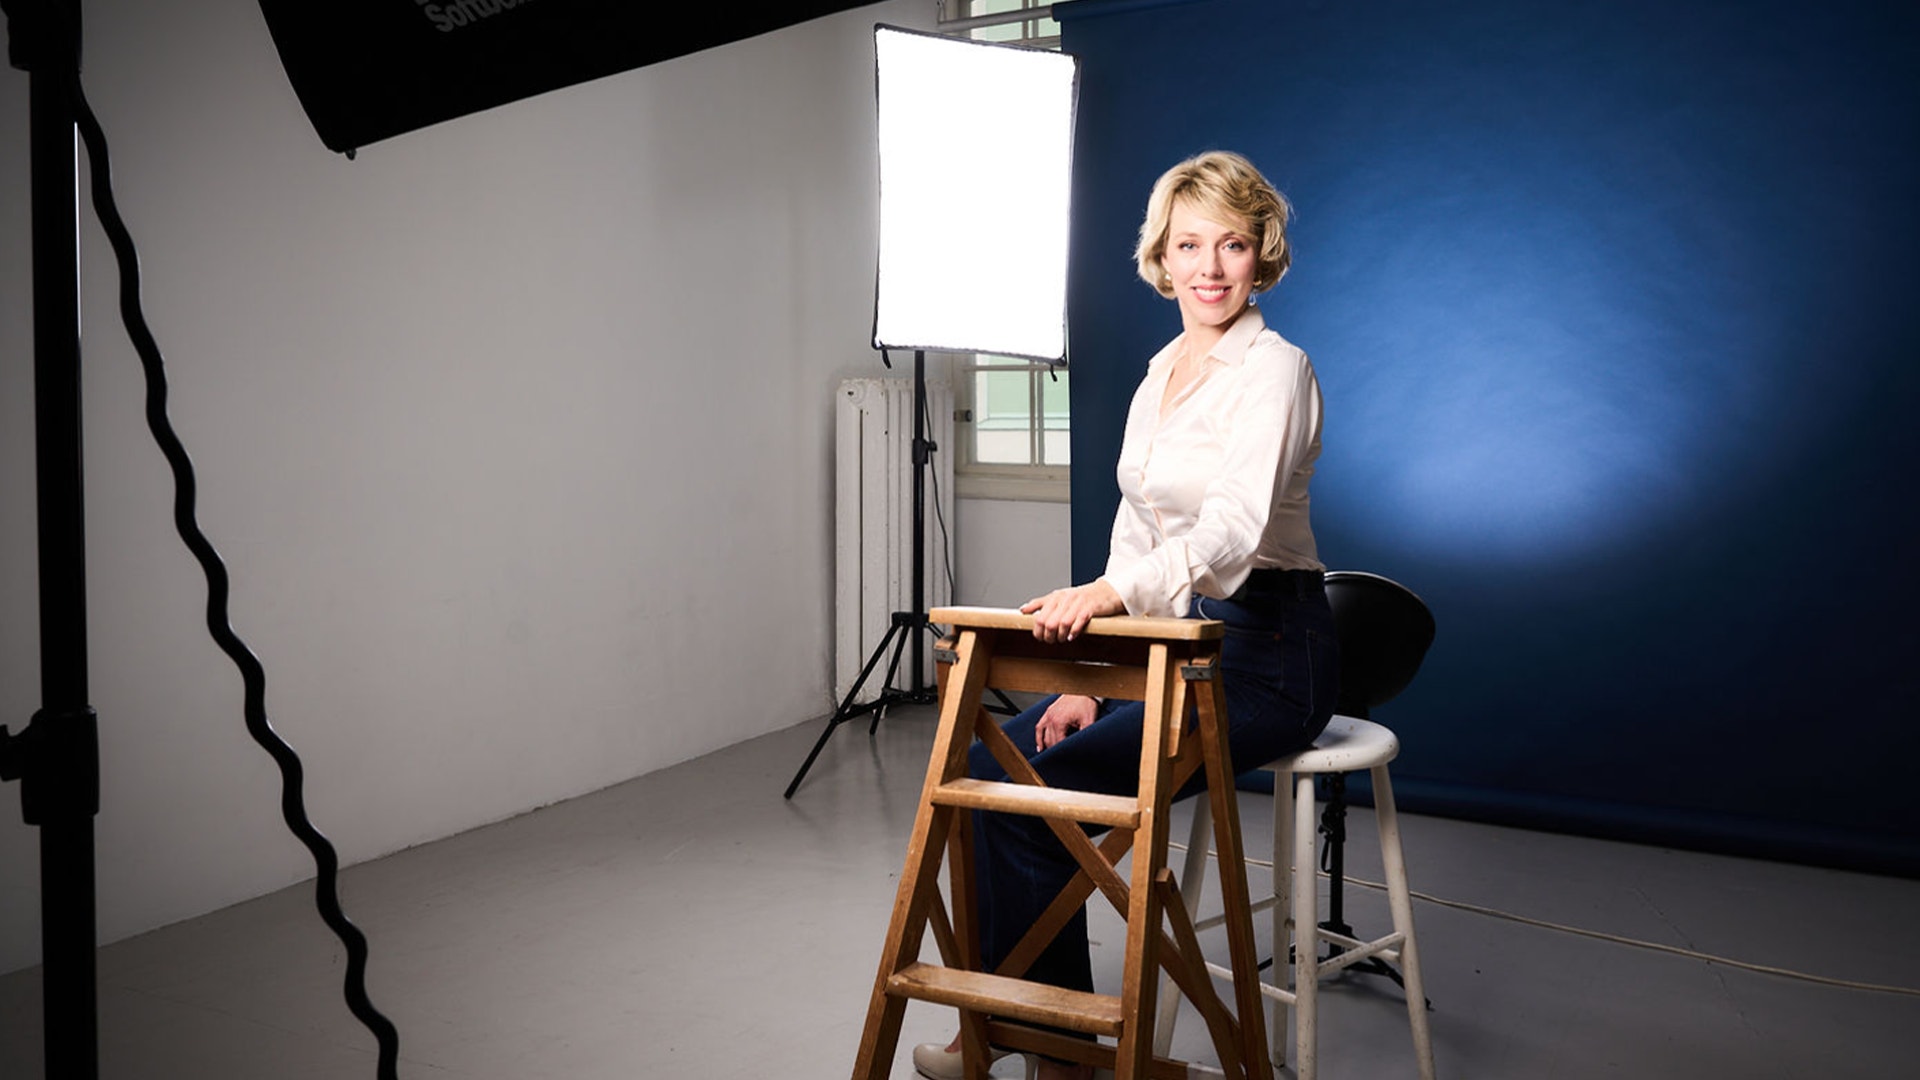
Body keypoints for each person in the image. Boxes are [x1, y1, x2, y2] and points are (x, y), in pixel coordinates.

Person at [911, 150, 1340, 1080]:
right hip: (1167, 643)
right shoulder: (1162, 373)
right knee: (991, 766)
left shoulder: (1275, 370)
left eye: (1233, 244)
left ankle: (1056, 1056)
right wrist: (1093, 679)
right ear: (1163, 257)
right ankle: (1012, 1024)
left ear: (1261, 254)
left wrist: (1106, 601)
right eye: (1189, 245)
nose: (1210, 268)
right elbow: (1136, 533)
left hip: (1266, 657)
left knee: (1042, 792)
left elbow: (1229, 534)